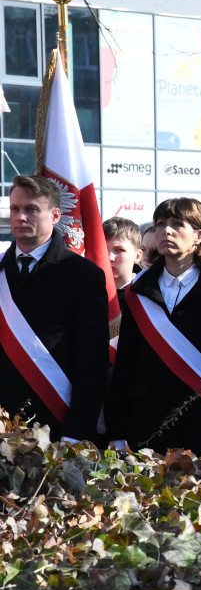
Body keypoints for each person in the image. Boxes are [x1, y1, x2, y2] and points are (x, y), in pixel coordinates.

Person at [105, 198, 201, 456]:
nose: (166, 231)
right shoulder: (138, 291)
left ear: (198, 235)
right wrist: (116, 431)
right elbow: (125, 367)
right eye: (160, 224)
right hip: (146, 425)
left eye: (177, 224)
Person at [0, 175, 109, 442]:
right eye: (15, 209)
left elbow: (92, 363)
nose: (21, 217)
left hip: (57, 424)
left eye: (32, 210)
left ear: (56, 215)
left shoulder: (84, 275)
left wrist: (76, 433)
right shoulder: (1, 270)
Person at [104, 217, 144, 309]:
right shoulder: (86, 293)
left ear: (137, 256)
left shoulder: (146, 296)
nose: (110, 257)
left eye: (120, 250)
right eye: (104, 249)